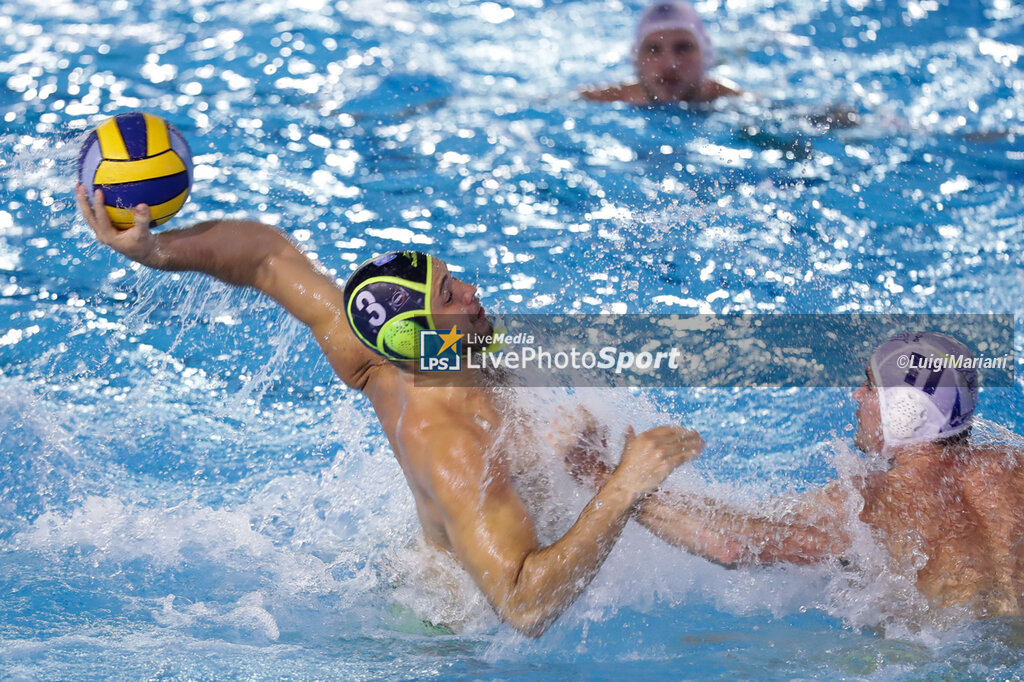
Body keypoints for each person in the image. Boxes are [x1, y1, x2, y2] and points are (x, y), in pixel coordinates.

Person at [75, 185, 704, 638]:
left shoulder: (375, 349)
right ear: (420, 339)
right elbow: (523, 608)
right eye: (450, 296)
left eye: (454, 279)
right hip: (446, 634)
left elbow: (265, 256)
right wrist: (622, 488)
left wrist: (154, 251)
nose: (473, 294)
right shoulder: (456, 446)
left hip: (428, 559)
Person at [564, 332, 1024, 618]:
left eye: (870, 384)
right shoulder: (1015, 467)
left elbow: (736, 542)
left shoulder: (871, 497)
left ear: (905, 412)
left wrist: (607, 479)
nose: (856, 395)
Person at [581, 1, 741, 104]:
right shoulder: (605, 99)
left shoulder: (735, 101)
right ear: (635, 58)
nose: (670, 64)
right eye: (653, 50)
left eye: (683, 48)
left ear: (706, 54)